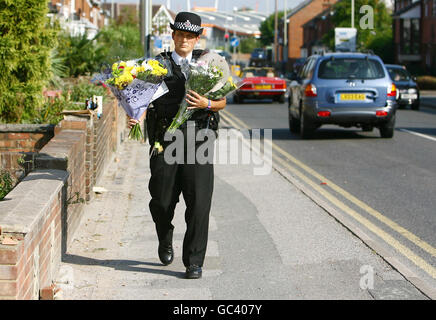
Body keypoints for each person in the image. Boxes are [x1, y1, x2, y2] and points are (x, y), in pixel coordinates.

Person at [128, 12, 226, 279]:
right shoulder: (157, 66)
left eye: (190, 36)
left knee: (200, 203)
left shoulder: (210, 64)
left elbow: (222, 101)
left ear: (196, 39)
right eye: (180, 35)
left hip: (199, 139)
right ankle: (164, 235)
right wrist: (135, 117)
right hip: (165, 140)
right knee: (161, 200)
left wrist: (206, 104)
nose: (184, 40)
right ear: (173, 36)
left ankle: (194, 261)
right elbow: (140, 100)